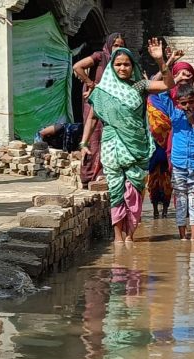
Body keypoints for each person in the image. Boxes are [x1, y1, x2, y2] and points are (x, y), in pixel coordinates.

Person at [79, 39, 174, 243]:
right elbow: (93, 118)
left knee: (135, 190)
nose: (122, 67)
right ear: (112, 66)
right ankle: (118, 238)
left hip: (136, 145)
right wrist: (84, 144)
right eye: (118, 64)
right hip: (112, 144)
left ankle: (130, 235)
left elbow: (168, 85)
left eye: (127, 64)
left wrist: (160, 61)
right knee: (115, 189)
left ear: (133, 67)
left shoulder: (140, 86)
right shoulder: (102, 91)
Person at [150, 84, 194, 240]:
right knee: (181, 200)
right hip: (179, 165)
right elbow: (164, 94)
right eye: (183, 103)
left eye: (190, 102)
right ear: (178, 103)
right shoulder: (175, 117)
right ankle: (183, 236)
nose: (187, 106)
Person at [73, 33, 125, 188]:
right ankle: (89, 175)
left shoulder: (121, 63)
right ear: (109, 45)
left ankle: (106, 173)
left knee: (108, 137)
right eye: (115, 45)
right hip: (95, 101)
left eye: (121, 45)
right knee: (94, 136)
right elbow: (77, 67)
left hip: (112, 105)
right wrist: (91, 84)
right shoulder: (100, 57)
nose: (118, 48)